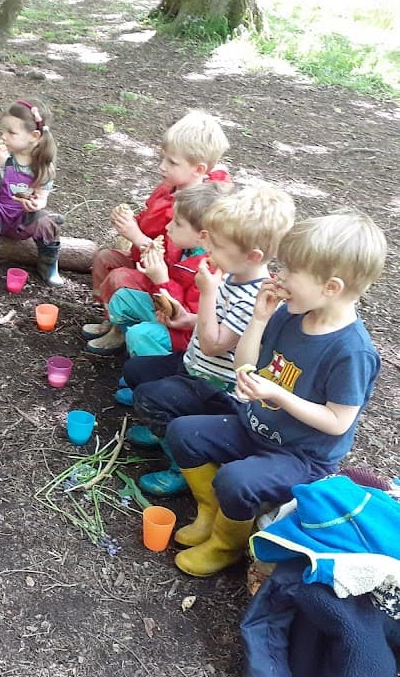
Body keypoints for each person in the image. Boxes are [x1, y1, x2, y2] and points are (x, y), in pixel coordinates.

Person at [163, 213, 385, 577]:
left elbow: (338, 421)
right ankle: (210, 512)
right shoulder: (290, 314)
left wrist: (279, 396)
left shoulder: (351, 352)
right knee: (184, 432)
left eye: (291, 272)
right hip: (255, 427)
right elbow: (247, 365)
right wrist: (260, 319)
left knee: (236, 479)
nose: (279, 278)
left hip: (302, 456)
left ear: (330, 287)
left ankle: (226, 545)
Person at [121, 185, 295, 496]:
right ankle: (162, 431)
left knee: (151, 396)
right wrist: (184, 319)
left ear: (252, 255)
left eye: (217, 246)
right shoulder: (231, 274)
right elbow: (211, 322)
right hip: (194, 364)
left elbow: (216, 344)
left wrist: (208, 292)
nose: (209, 252)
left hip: (217, 385)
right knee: (136, 372)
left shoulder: (254, 298)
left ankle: (182, 466)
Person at [83, 110, 231, 354]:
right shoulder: (168, 189)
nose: (162, 167)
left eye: (172, 162)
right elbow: (149, 219)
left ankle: (124, 329)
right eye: (163, 158)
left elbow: (164, 255)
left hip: (163, 279)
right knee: (104, 258)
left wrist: (136, 236)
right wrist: (132, 221)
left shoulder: (194, 213)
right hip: (153, 268)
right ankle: (111, 319)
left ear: (198, 169)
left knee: (120, 277)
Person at [92, 181, 228, 359]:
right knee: (122, 299)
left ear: (203, 236)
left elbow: (183, 316)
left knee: (140, 335)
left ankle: (153, 370)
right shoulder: (181, 246)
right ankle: (125, 339)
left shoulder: (209, 271)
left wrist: (161, 279)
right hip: (164, 308)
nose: (168, 227)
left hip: (186, 334)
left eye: (177, 223)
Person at [0, 99, 63, 287]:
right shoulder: (4, 158)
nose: (3, 136)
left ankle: (48, 264)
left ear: (34, 136)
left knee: (47, 222)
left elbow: (41, 199)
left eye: (11, 132)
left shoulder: (43, 165)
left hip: (23, 219)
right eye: (4, 130)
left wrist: (35, 205)